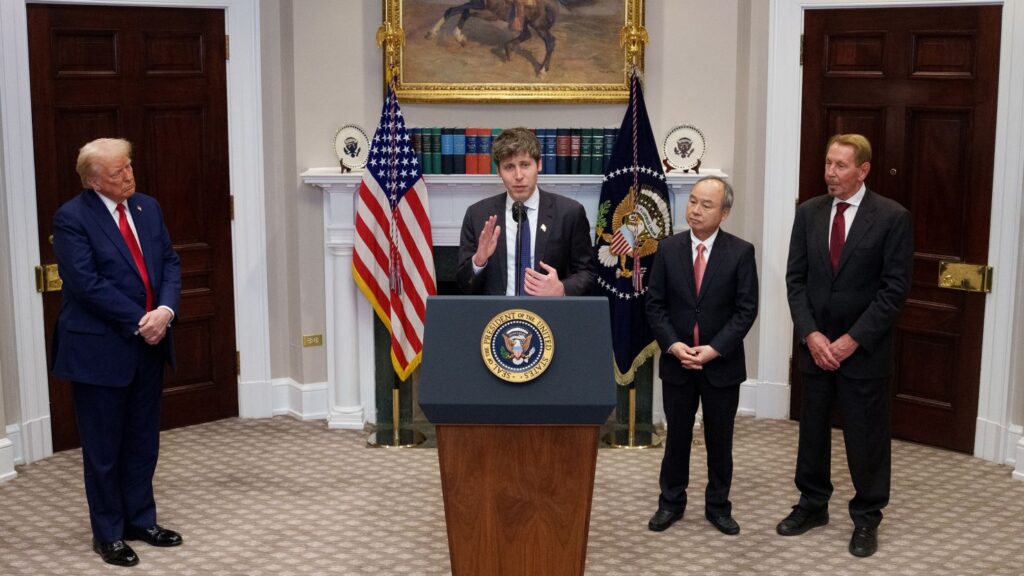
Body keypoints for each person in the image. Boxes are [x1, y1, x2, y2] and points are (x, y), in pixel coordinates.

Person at [779, 133, 913, 558]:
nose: (830, 173)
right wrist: (812, 334)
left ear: (863, 170)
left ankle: (867, 517)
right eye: (827, 163)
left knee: (866, 437)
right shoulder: (808, 213)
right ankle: (813, 504)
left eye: (840, 166)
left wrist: (852, 340)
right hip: (815, 347)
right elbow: (795, 280)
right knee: (812, 433)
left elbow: (893, 292)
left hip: (863, 352)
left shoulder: (892, 218)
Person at [51, 138, 183, 567]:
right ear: (92, 181)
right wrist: (141, 320)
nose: (127, 176)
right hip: (100, 351)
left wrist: (164, 311)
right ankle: (107, 533)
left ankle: (140, 520)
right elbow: (86, 285)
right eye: (116, 173)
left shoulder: (148, 207)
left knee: (143, 442)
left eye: (128, 167)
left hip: (149, 344)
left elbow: (169, 262)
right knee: (104, 449)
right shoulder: (72, 218)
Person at [644, 176, 758, 535]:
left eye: (706, 205)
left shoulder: (741, 252)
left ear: (724, 213)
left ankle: (718, 506)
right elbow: (655, 305)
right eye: (692, 201)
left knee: (719, 440)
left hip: (720, 364)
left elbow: (745, 310)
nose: (695, 210)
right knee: (676, 437)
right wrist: (673, 345)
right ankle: (671, 503)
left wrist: (713, 349)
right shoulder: (667, 248)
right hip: (678, 361)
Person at [456, 127, 595, 296]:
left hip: (547, 315)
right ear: (499, 172)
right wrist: (479, 261)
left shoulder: (569, 213)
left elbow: (588, 274)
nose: (518, 175)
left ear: (539, 164)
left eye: (525, 165)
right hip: (496, 317)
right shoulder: (477, 215)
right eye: (509, 167)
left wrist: (562, 289)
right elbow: (464, 285)